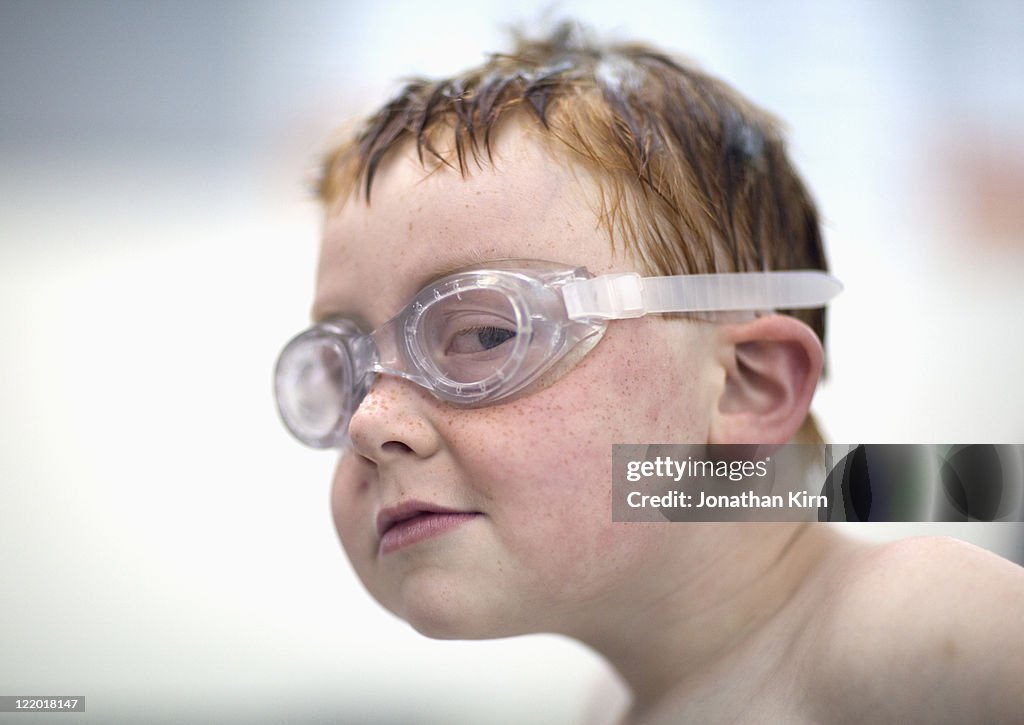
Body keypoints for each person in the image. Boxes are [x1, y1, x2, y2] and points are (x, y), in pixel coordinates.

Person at [274, 22, 1024, 723]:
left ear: (744, 386)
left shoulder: (920, 626)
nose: (370, 422)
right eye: (345, 371)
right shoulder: (618, 702)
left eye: (482, 333)